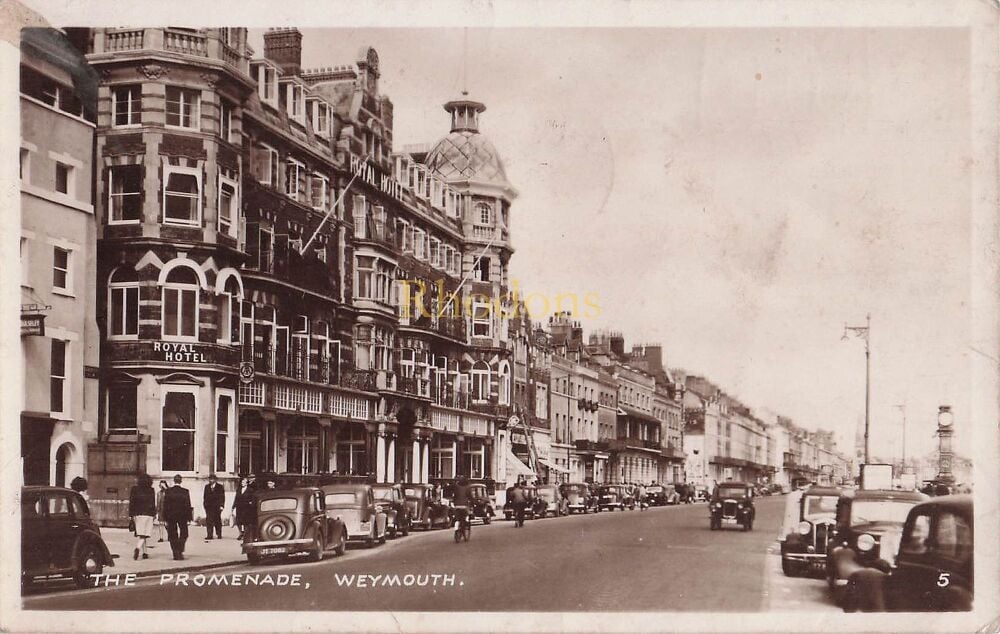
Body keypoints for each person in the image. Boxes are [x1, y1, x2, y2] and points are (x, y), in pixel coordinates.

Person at [163, 474, 193, 560]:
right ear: (181, 481)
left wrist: (165, 518)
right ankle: (180, 548)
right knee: (184, 533)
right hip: (182, 516)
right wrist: (189, 518)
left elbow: (166, 505)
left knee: (172, 534)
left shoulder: (168, 491)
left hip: (171, 516)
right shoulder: (185, 491)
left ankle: (175, 552)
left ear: (174, 481)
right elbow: (188, 505)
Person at [128, 474, 156, 560]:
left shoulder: (134, 489)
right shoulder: (151, 490)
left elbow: (132, 502)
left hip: (138, 514)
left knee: (142, 534)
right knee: (145, 534)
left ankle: (145, 553)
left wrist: (131, 514)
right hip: (148, 514)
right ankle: (138, 548)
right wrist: (154, 514)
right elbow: (152, 503)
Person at [203, 474, 225, 540]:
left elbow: (222, 497)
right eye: (210, 479)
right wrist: (205, 505)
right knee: (209, 521)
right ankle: (209, 535)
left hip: (217, 507)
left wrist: (222, 505)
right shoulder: (207, 487)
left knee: (217, 520)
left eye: (212, 479)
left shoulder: (220, 487)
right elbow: (205, 497)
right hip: (209, 507)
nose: (211, 480)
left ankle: (219, 534)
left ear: (215, 480)